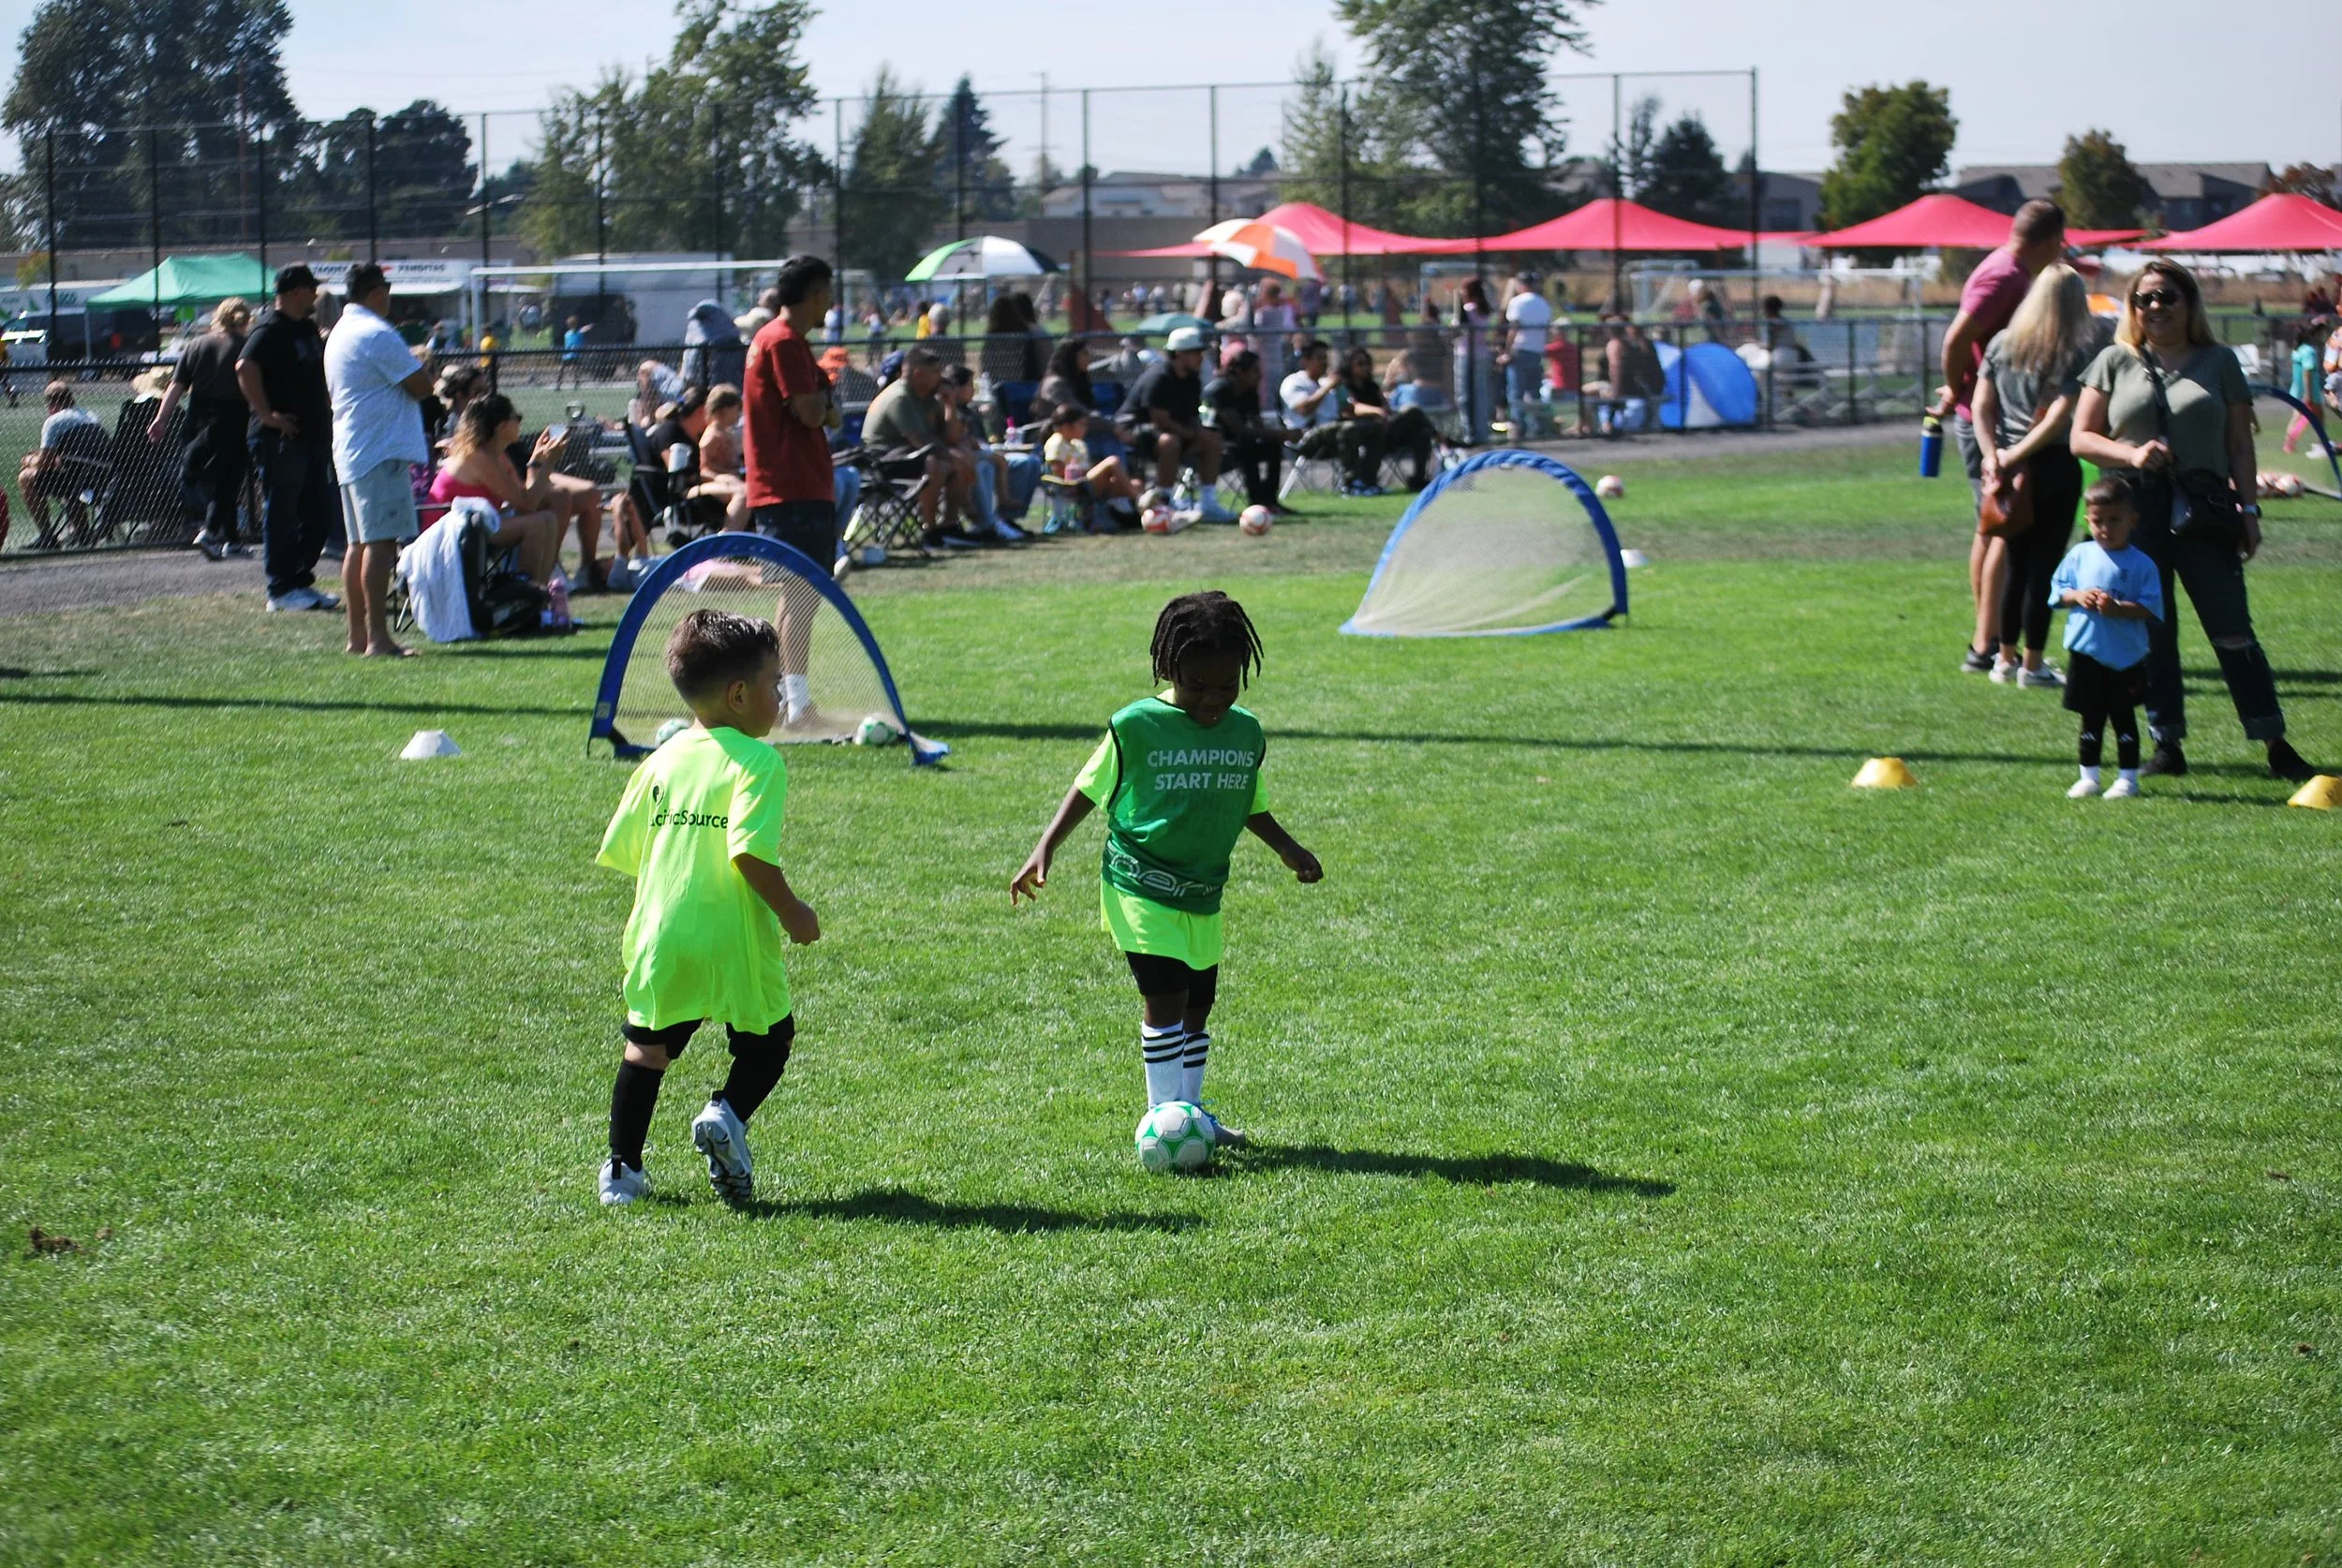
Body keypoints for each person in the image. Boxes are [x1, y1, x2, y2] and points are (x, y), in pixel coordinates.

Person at [1010, 591, 1322, 1146]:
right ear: (1167, 668)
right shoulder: (1137, 725)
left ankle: (1193, 1116)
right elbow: (1089, 787)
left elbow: (1250, 801)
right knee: (1167, 998)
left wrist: (1288, 849)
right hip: (1139, 883)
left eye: (1226, 686)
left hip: (1203, 890)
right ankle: (1163, 1121)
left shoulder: (1244, 731)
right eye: (1197, 686)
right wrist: (1046, 847)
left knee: (1200, 1004)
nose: (1212, 700)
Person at [593, 608, 821, 1206]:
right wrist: (795, 911)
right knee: (768, 1040)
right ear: (740, 695)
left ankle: (621, 1170)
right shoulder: (759, 762)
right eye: (775, 683)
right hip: (733, 935)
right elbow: (748, 852)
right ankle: (725, 1112)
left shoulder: (659, 760)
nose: (780, 694)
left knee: (647, 1048)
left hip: (661, 931)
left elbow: (631, 850)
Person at [2069, 259, 2318, 782]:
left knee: (2232, 631)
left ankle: (2274, 741)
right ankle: (2167, 745)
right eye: (2144, 299)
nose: (2155, 307)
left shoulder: (2219, 360)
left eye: (2166, 297)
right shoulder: (2114, 360)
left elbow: (2238, 444)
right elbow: (2080, 438)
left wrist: (2249, 509)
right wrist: (2132, 455)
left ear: (2189, 303)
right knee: (2152, 630)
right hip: (2135, 512)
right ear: (2133, 309)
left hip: (2204, 510)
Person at [1929, 199, 2068, 674]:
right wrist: (1957, 388)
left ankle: (1987, 639)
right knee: (2000, 528)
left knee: (1992, 527)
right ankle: (1986, 644)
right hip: (1987, 418)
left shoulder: (2004, 266)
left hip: (1992, 415)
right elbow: (1955, 338)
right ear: (2050, 240)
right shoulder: (2006, 275)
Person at [1970, 262, 2108, 687]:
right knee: (2045, 568)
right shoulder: (2075, 352)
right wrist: (2015, 454)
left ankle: (2004, 658)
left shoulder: (2001, 344)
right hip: (2050, 465)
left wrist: (1995, 455)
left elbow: (1981, 406)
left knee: (2015, 562)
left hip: (2006, 471)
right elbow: (2057, 420)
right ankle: (2033, 664)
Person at [743, 253, 846, 724]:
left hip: (797, 485)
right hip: (792, 486)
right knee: (800, 594)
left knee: (797, 594)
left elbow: (831, 411)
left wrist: (824, 403)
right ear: (814, 294)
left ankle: (791, 699)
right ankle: (794, 702)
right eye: (827, 292)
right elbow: (813, 412)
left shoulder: (789, 342)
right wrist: (823, 402)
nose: (831, 303)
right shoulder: (782, 341)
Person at [325, 262, 433, 658]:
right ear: (374, 291)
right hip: (379, 450)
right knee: (381, 545)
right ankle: (378, 639)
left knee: (358, 545)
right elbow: (421, 385)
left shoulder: (340, 332)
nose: (389, 295)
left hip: (353, 450)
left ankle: (357, 637)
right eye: (386, 288)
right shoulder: (375, 332)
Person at [2049, 476, 2164, 799]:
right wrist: (2077, 596)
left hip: (2125, 655)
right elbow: (2058, 592)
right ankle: (2089, 776)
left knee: (2123, 717)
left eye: (2115, 520)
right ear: (2088, 520)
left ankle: (2128, 779)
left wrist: (2119, 608)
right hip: (2086, 653)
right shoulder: (2079, 555)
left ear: (2132, 520)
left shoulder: (2142, 564)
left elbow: (2151, 608)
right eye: (2098, 521)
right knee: (2091, 717)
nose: (2105, 528)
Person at [238, 264, 342, 615]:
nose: (315, 295)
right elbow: (245, 367)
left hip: (311, 436)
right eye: (311, 289)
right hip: (280, 439)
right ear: (296, 291)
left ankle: (299, 583)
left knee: (319, 512)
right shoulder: (269, 328)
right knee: (282, 513)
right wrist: (267, 415)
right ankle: (279, 589)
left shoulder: (307, 327)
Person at [148, 297, 255, 559]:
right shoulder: (246, 347)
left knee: (215, 480)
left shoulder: (195, 345)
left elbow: (176, 385)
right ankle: (209, 533)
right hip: (234, 418)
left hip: (197, 420)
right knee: (229, 481)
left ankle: (232, 539)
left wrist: (161, 419)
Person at [426, 393, 566, 584]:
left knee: (547, 519)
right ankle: (525, 599)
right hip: (450, 535)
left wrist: (536, 461)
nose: (520, 423)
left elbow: (526, 503)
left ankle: (539, 599)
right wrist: (549, 463)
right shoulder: (478, 457)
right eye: (517, 418)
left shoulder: (495, 456)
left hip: (474, 526)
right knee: (536, 524)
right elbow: (529, 503)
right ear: (502, 427)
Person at [1119, 327, 1230, 518]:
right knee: (1169, 442)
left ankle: (1209, 503)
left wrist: (1201, 433)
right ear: (1179, 354)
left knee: (1212, 440)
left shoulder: (1192, 380)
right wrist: (1192, 434)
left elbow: (1192, 416)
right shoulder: (1159, 377)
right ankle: (1165, 499)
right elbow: (1159, 419)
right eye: (1195, 353)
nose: (1200, 358)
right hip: (1138, 433)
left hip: (1177, 432)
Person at [941, 363, 1032, 541]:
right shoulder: (950, 411)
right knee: (985, 465)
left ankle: (1008, 517)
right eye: (970, 386)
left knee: (1028, 462)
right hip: (965, 456)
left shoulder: (970, 411)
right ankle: (987, 522)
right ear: (956, 389)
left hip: (981, 452)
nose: (973, 391)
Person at [1281, 338, 1378, 495]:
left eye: (1326, 358)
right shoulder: (1293, 382)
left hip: (1337, 434)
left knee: (1374, 428)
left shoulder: (1328, 382)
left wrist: (1376, 412)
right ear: (1305, 361)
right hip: (1307, 436)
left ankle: (1368, 481)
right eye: (1319, 358)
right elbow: (1304, 409)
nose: (1324, 362)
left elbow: (1349, 408)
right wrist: (1326, 388)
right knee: (1348, 429)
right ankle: (1350, 484)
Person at [16, 380, 106, 547]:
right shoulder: (90, 416)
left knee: (25, 478)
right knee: (64, 480)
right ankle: (81, 532)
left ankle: (47, 536)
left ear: (51, 403)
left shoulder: (54, 421)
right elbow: (73, 456)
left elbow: (45, 463)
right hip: (99, 478)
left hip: (75, 479)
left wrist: (29, 460)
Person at [1204, 348, 1293, 512]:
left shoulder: (1249, 391)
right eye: (1255, 371)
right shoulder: (1220, 390)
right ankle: (1257, 501)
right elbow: (1239, 430)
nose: (1259, 375)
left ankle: (1270, 500)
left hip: (1238, 444)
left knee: (1272, 446)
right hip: (1214, 446)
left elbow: (1258, 426)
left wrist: (1279, 435)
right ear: (1239, 372)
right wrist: (1280, 434)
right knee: (1247, 447)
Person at [1340, 345, 1437, 491]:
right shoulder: (1344, 387)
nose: (1365, 367)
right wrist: (1377, 412)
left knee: (1422, 434)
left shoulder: (1372, 386)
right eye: (1360, 364)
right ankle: (1443, 441)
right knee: (1412, 410)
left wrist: (1384, 412)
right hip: (1364, 436)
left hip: (1385, 433)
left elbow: (1388, 409)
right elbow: (1353, 408)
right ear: (1349, 365)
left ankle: (1418, 479)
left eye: (1367, 363)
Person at [1042, 402, 1144, 522]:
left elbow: (1088, 467)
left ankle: (1130, 515)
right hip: (1073, 487)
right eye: (1082, 425)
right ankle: (1141, 503)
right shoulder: (1056, 442)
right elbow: (1058, 472)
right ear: (1066, 427)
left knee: (1136, 484)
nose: (1085, 429)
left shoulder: (1078, 444)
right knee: (1113, 461)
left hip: (1087, 483)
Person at [1501, 272, 1553, 438]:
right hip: (1537, 350)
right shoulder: (1543, 303)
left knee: (1516, 392)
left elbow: (1514, 328)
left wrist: (1507, 351)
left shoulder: (1517, 302)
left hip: (1520, 350)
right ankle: (1538, 426)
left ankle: (1519, 427)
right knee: (1534, 392)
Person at [696, 383, 749, 528]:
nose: (740, 413)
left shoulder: (726, 433)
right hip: (713, 483)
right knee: (745, 492)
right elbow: (704, 469)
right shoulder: (713, 435)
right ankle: (728, 535)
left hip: (730, 479)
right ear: (724, 410)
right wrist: (724, 476)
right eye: (737, 409)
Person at [1453, 277, 1497, 444]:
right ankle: (1481, 431)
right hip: (1482, 355)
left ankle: (1468, 432)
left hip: (1466, 355)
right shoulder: (1484, 310)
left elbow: (1457, 329)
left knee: (1464, 395)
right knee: (1480, 394)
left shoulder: (1470, 309)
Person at [2281, 318, 2330, 453]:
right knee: (2317, 416)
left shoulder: (2298, 349)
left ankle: (2290, 443)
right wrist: (2308, 394)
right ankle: (2321, 444)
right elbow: (2307, 373)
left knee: (2299, 415)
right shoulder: (2309, 351)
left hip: (2298, 389)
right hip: (2309, 390)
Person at [556, 315, 585, 390]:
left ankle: (576, 383)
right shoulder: (567, 334)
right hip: (566, 355)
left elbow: (581, 344)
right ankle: (558, 384)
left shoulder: (579, 334)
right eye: (569, 324)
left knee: (575, 369)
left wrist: (577, 348)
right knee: (561, 369)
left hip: (575, 355)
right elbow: (567, 344)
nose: (570, 325)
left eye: (572, 324)